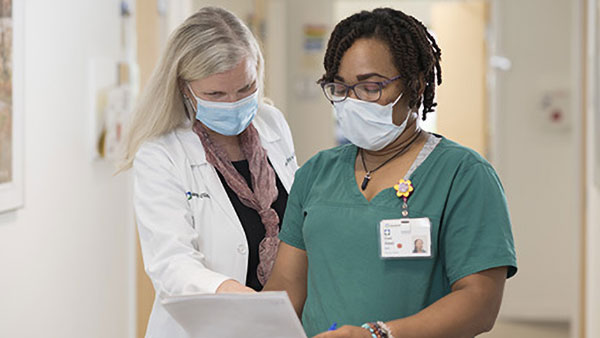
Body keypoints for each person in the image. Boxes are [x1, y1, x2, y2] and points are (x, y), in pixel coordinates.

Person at [265, 8, 517, 338]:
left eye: (371, 87)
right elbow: (286, 287)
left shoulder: (464, 175)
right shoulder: (316, 173)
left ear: (415, 85)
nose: (353, 102)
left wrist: (378, 334)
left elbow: (479, 302)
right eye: (341, 88)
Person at [120, 7, 297, 337]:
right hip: (209, 326)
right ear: (184, 88)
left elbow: (297, 220)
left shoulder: (272, 123)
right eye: (215, 94)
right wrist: (242, 298)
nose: (233, 103)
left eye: (246, 88)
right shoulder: (161, 154)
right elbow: (171, 264)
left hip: (278, 322)